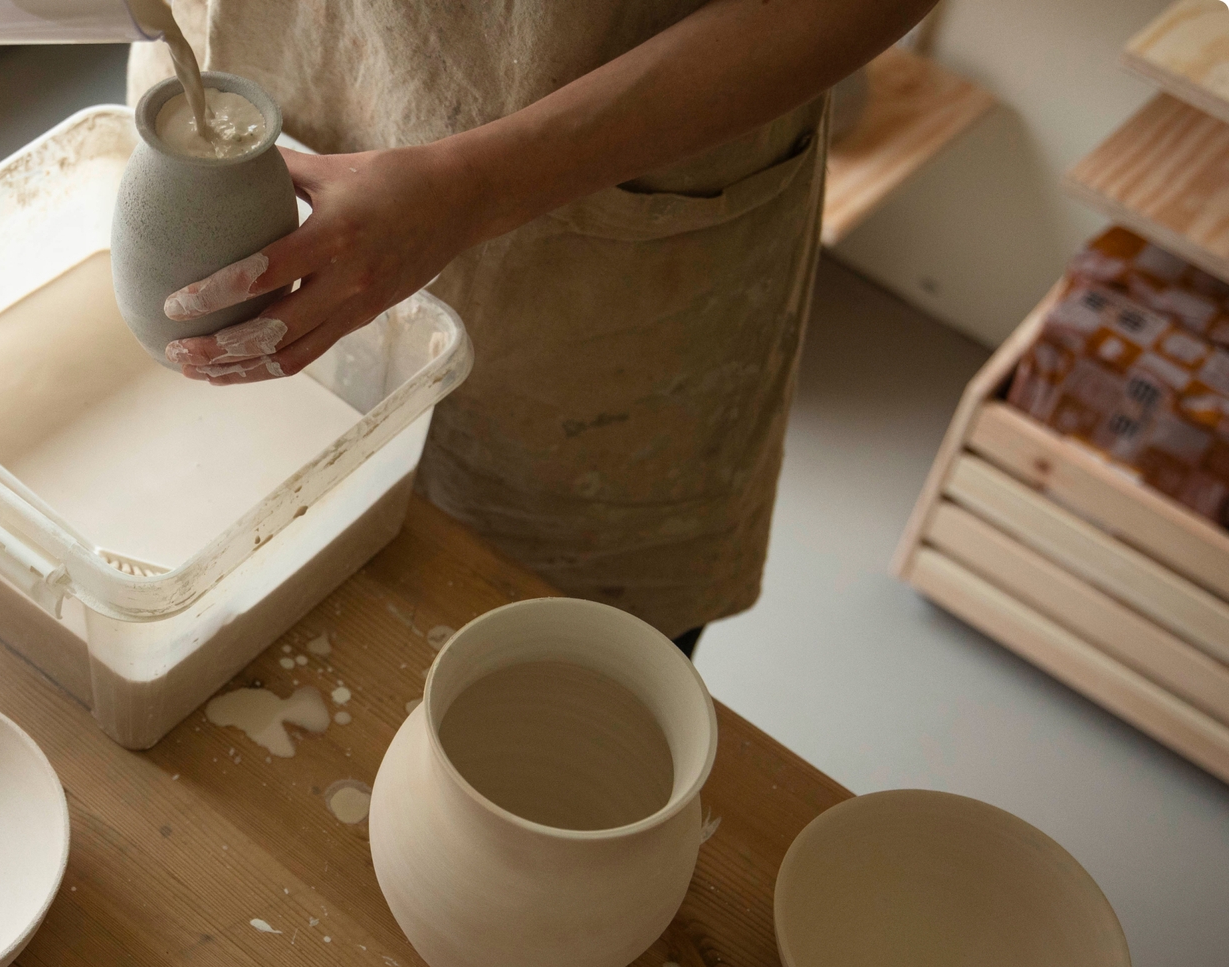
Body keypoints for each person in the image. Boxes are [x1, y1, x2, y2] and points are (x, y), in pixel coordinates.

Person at [133, 0, 936, 655]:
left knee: (545, 656)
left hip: (596, 207)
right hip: (264, 57)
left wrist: (475, 189)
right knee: (245, 563)